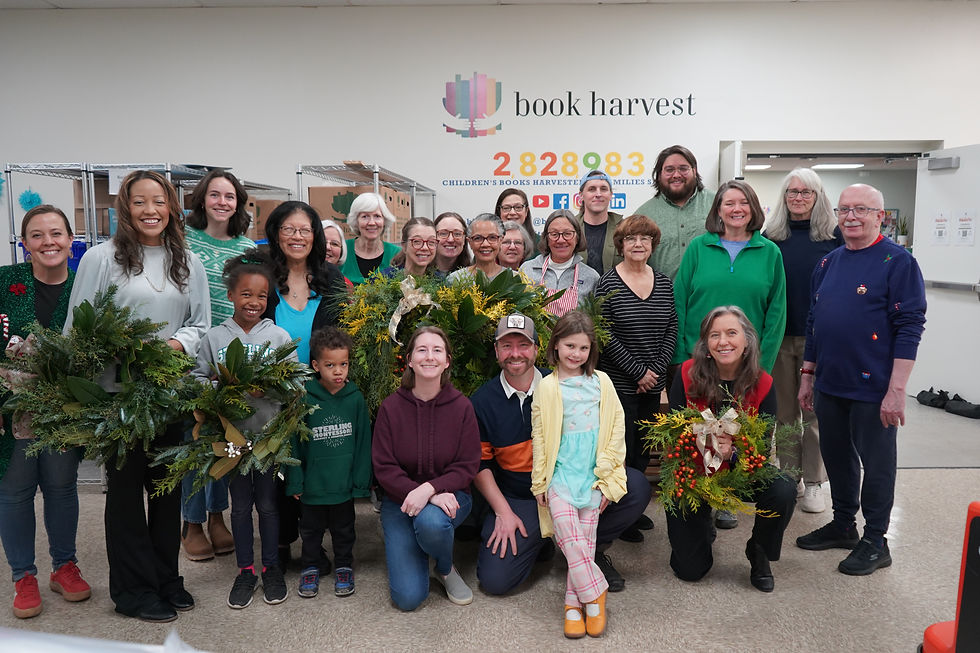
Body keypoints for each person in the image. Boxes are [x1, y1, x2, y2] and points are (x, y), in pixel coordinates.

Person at [63, 170, 210, 622]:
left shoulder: (186, 259)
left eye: (159, 201)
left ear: (171, 207)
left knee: (167, 495)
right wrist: (117, 353)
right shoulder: (101, 258)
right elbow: (79, 328)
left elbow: (200, 324)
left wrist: (170, 346)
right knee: (126, 497)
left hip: (168, 394)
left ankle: (166, 578)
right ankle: (132, 591)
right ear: (125, 209)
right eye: (140, 202)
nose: (151, 210)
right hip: (118, 398)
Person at [796, 184, 926, 576]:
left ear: (879, 217)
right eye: (844, 209)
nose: (851, 216)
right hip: (831, 382)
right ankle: (843, 524)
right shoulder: (829, 262)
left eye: (861, 210)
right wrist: (807, 375)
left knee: (878, 463)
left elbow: (909, 326)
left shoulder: (898, 262)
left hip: (876, 386)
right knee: (837, 457)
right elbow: (815, 323)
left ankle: (876, 540)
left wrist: (897, 390)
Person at [471, 313, 651, 597]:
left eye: (523, 344)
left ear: (538, 347)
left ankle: (585, 552)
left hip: (577, 481)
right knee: (496, 581)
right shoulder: (481, 402)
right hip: (523, 498)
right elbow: (480, 463)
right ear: (496, 350)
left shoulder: (564, 383)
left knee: (635, 486)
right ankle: (547, 542)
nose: (515, 353)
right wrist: (503, 511)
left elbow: (609, 430)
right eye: (506, 346)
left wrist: (608, 479)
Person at [673, 180, 786, 529]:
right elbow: (679, 301)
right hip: (699, 366)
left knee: (736, 434)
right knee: (699, 430)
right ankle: (701, 495)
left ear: (753, 208)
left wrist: (759, 366)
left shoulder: (769, 253)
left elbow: (776, 311)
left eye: (743, 203)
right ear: (717, 210)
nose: (736, 209)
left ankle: (727, 496)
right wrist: (681, 357)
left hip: (746, 368)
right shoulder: (698, 248)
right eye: (728, 203)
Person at [666, 306, 796, 593]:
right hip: (694, 474)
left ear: (747, 341)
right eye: (715, 335)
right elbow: (673, 435)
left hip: (740, 472)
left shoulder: (763, 383)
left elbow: (760, 449)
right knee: (690, 570)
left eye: (731, 333)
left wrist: (733, 454)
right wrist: (700, 444)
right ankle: (702, 523)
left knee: (783, 488)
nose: (723, 341)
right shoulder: (687, 374)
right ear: (706, 345)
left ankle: (759, 551)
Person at [0, 205, 88, 619]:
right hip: (11, 408)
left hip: (64, 406)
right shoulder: (5, 282)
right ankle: (23, 575)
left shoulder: (85, 285)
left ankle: (64, 566)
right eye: (37, 235)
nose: (48, 242)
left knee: (60, 486)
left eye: (56, 233)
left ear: (72, 240)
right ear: (25, 244)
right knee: (15, 490)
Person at [191, 253, 293, 609]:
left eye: (262, 296)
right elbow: (199, 378)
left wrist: (273, 388)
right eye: (246, 294)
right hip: (231, 442)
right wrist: (221, 389)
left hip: (268, 440)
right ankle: (245, 571)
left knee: (267, 505)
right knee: (240, 507)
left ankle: (271, 568)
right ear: (231, 295)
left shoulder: (278, 336)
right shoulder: (215, 337)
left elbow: (295, 382)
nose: (254, 302)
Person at [259, 200, 346, 571]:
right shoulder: (260, 277)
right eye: (289, 229)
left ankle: (313, 545)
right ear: (276, 235)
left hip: (318, 393)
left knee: (311, 470)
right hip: (271, 394)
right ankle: (278, 543)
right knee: (275, 473)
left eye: (305, 230)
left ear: (316, 236)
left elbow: (342, 339)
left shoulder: (332, 280)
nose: (297, 237)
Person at [531, 311, 627, 639]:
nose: (576, 354)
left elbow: (616, 428)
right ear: (555, 345)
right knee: (568, 538)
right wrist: (540, 482)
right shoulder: (545, 386)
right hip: (560, 474)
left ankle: (573, 604)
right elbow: (540, 436)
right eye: (570, 345)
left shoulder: (602, 381)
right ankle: (595, 592)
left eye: (583, 348)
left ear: (591, 350)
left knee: (584, 541)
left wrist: (607, 479)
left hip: (592, 474)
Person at [372, 326, 481, 611]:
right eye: (421, 350)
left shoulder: (462, 408)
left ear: (447, 361)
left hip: (451, 498)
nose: (429, 356)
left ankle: (444, 568)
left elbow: (468, 464)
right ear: (409, 359)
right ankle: (422, 545)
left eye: (437, 350)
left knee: (431, 522)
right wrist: (426, 494)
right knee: (408, 599)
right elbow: (384, 467)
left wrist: (432, 489)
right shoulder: (391, 408)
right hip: (400, 502)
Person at [180, 169, 254, 562]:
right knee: (195, 439)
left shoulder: (245, 246)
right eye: (215, 195)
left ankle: (215, 516)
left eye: (230, 196)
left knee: (225, 439)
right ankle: (190, 523)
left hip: (231, 353)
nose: (223, 202)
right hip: (194, 350)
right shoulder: (184, 240)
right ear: (202, 199)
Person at [763, 168, 843, 513]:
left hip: (818, 341)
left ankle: (814, 482)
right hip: (780, 338)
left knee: (813, 415)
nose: (798, 198)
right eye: (792, 192)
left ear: (818, 196)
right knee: (783, 414)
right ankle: (790, 477)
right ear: (784, 197)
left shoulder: (834, 238)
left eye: (806, 192)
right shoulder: (771, 237)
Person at [595, 215, 677, 542]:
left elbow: (671, 329)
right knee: (621, 450)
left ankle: (635, 505)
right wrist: (638, 372)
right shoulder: (607, 283)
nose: (638, 244)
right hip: (619, 384)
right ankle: (620, 513)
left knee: (643, 449)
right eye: (631, 239)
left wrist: (654, 372)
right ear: (621, 245)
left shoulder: (665, 282)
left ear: (653, 245)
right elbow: (605, 336)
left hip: (653, 384)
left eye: (645, 239)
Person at [287, 327, 371, 600]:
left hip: (343, 485)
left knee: (345, 530)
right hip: (313, 485)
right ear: (315, 365)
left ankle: (344, 566)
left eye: (343, 364)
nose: (338, 371)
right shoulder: (304, 397)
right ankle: (310, 566)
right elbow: (294, 443)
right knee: (310, 531)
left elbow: (362, 443)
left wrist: (360, 482)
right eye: (330, 365)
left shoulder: (355, 399)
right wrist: (296, 480)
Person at [632, 145, 715, 281]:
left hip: (709, 296)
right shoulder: (643, 215)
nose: (676, 175)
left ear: (694, 171)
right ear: (659, 175)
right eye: (669, 170)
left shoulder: (718, 204)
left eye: (683, 168)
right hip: (663, 299)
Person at [520, 210, 600, 318]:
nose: (561, 240)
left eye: (567, 234)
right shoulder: (527, 270)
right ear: (546, 238)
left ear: (577, 237)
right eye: (554, 234)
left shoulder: (591, 277)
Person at [341, 192, 401, 285]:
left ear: (384, 220)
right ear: (356, 221)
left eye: (377, 216)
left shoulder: (397, 254)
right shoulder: (342, 250)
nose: (372, 222)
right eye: (365, 216)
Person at [577, 170, 623, 277]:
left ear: (611, 195)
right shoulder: (569, 228)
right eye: (591, 189)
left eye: (603, 189)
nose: (598, 194)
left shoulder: (625, 229)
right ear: (581, 195)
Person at [446, 214, 507, 284]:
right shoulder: (456, 279)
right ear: (469, 242)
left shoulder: (514, 278)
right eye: (478, 238)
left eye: (492, 237)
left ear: (501, 240)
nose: (485, 244)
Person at [493, 187, 538, 255]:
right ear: (499, 212)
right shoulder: (489, 243)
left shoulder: (541, 244)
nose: (512, 212)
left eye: (518, 207)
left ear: (526, 211)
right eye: (506, 208)